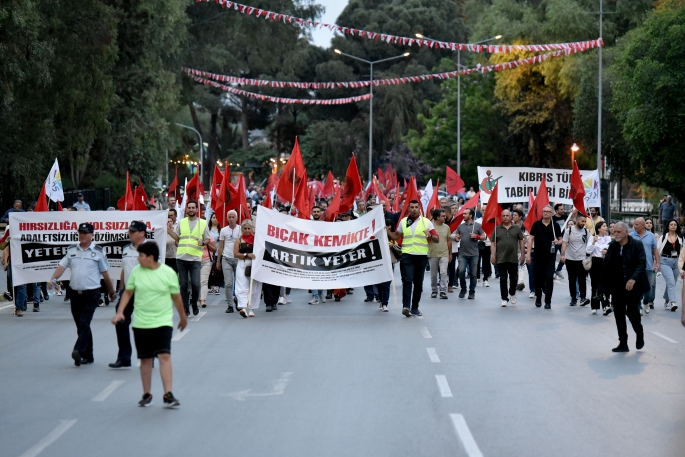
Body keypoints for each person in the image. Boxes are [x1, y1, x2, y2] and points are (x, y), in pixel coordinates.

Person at [111, 241, 186, 408]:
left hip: (163, 321)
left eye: (141, 256)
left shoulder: (168, 273)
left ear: (150, 258)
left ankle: (168, 393)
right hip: (141, 322)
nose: (138, 259)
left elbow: (176, 297)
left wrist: (183, 317)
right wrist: (120, 312)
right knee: (145, 359)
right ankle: (147, 394)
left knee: (164, 356)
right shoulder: (137, 272)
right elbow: (128, 292)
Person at [48, 223, 117, 366]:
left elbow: (105, 273)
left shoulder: (98, 252)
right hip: (75, 294)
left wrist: (111, 291)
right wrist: (53, 279)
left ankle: (78, 350)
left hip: (91, 294)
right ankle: (89, 355)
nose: (83, 235)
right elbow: (62, 266)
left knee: (84, 323)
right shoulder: (72, 250)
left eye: (86, 233)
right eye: (81, 232)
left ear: (92, 235)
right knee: (81, 325)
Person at [601, 222, 649, 352]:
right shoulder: (613, 246)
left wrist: (633, 279)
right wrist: (602, 287)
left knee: (632, 312)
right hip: (617, 285)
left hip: (634, 286)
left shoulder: (637, 245)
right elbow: (606, 266)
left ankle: (639, 332)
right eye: (614, 232)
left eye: (618, 232)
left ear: (626, 233)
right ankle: (623, 342)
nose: (615, 234)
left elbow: (641, 263)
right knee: (619, 313)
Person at [386, 200, 439, 317]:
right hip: (407, 256)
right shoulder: (404, 221)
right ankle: (406, 307)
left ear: (419, 209)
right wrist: (388, 232)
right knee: (407, 281)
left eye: (416, 207)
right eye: (412, 207)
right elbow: (397, 236)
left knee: (418, 283)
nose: (414, 209)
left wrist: (430, 235)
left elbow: (437, 238)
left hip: (421, 256)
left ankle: (415, 307)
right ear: (408, 209)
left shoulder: (426, 222)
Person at [109, 220, 147, 368]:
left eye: (133, 231)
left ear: (142, 233)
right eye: (129, 231)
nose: (129, 233)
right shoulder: (126, 249)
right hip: (127, 292)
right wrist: (121, 289)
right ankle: (124, 357)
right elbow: (124, 269)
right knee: (121, 321)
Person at [167, 201, 209, 317]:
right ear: (186, 209)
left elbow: (207, 239)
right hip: (181, 257)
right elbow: (178, 238)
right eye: (189, 207)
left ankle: (194, 303)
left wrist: (202, 242)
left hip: (195, 258)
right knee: (184, 284)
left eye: (193, 207)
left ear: (196, 209)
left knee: (196, 284)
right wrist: (169, 231)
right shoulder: (182, 222)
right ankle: (186, 307)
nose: (191, 209)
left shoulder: (203, 223)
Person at [527, 206, 562, 309]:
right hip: (538, 255)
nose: (545, 213)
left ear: (552, 213)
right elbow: (530, 239)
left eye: (548, 211)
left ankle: (548, 301)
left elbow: (561, 240)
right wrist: (528, 254)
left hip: (550, 257)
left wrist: (557, 242)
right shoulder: (536, 225)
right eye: (544, 211)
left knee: (549, 278)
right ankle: (538, 297)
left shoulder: (555, 226)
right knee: (537, 278)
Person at [491, 210, 525, 307]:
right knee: (503, 278)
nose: (506, 217)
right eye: (504, 216)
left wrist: (522, 255)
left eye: (507, 215)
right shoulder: (497, 229)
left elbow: (521, 241)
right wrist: (493, 256)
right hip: (501, 258)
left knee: (514, 278)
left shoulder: (516, 228)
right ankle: (504, 298)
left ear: (510, 217)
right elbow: (493, 243)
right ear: (501, 217)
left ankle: (512, 293)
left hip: (513, 258)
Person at [629, 217, 659, 315]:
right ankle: (638, 307)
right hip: (635, 267)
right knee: (636, 289)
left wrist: (657, 263)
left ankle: (646, 302)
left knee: (648, 288)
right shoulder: (631, 236)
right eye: (634, 224)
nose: (634, 226)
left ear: (642, 225)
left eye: (637, 224)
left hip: (648, 266)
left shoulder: (651, 236)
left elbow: (655, 250)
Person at [561, 213, 591, 307]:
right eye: (582, 221)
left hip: (582, 259)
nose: (583, 223)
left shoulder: (586, 231)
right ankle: (573, 298)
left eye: (585, 222)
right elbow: (565, 243)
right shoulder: (569, 230)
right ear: (577, 220)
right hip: (570, 259)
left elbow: (590, 242)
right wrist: (563, 254)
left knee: (582, 279)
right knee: (572, 280)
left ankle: (583, 298)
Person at [455, 208, 485, 300]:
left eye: (465, 214)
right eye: (463, 214)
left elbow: (484, 237)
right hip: (462, 253)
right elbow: (456, 238)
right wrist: (457, 237)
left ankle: (472, 291)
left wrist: (477, 236)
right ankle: (463, 289)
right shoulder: (460, 227)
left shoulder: (477, 226)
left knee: (473, 274)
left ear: (471, 215)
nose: (463, 215)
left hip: (474, 254)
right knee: (461, 271)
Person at [234, 219, 261, 318]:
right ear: (241, 229)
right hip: (242, 263)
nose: (247, 230)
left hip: (254, 264)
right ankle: (243, 307)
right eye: (245, 228)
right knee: (241, 286)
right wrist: (247, 255)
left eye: (249, 228)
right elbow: (236, 254)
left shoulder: (256, 239)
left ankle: (252, 308)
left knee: (254, 287)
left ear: (252, 228)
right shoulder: (238, 240)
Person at [217, 210, 240, 313]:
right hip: (226, 258)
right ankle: (230, 305)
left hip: (238, 259)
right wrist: (218, 261)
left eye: (233, 217)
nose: (231, 219)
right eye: (229, 217)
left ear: (236, 218)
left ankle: (239, 301)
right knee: (228, 283)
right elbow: (221, 246)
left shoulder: (240, 229)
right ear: (227, 219)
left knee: (239, 282)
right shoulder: (223, 230)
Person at [586, 221, 612, 315]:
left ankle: (605, 306)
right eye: (604, 226)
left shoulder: (608, 238)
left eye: (606, 226)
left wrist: (606, 250)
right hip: (596, 262)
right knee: (595, 285)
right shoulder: (592, 238)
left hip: (606, 262)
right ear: (599, 228)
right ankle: (595, 306)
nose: (606, 227)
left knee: (605, 285)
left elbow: (610, 249)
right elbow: (588, 250)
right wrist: (593, 242)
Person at [657, 219, 683, 312]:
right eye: (671, 224)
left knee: (672, 282)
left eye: (675, 224)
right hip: (665, 261)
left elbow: (683, 252)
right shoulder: (663, 237)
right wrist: (657, 263)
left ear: (677, 227)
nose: (673, 226)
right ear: (668, 226)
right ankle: (673, 302)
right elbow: (657, 250)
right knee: (671, 281)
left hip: (676, 262)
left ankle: (666, 300)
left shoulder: (681, 238)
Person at [428, 209, 451, 300]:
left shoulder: (446, 227)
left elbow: (448, 240)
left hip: (444, 253)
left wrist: (450, 254)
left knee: (443, 272)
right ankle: (434, 290)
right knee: (433, 275)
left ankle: (443, 291)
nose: (445, 217)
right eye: (443, 216)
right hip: (432, 254)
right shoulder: (430, 227)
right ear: (437, 217)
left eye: (445, 216)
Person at [198, 214, 218, 308]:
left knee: (204, 281)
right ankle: (196, 298)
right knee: (195, 281)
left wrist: (206, 243)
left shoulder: (209, 236)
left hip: (206, 261)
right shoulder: (193, 236)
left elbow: (214, 249)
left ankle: (203, 300)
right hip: (195, 260)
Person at [309, 206, 327, 305]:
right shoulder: (308, 224)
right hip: (310, 253)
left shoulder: (325, 225)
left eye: (318, 211)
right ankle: (315, 296)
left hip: (322, 252)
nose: (316, 213)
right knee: (312, 275)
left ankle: (320, 293)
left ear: (321, 213)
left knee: (321, 275)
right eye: (314, 211)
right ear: (312, 213)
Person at [447, 203, 460, 292]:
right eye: (452, 208)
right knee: (444, 267)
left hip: (457, 246)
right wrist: (453, 237)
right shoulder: (444, 220)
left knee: (455, 266)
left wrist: (458, 237)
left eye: (456, 208)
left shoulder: (459, 221)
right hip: (446, 246)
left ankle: (452, 283)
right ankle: (444, 281)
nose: (454, 210)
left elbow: (461, 232)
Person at [551, 204, 566, 279]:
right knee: (553, 256)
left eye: (563, 209)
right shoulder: (552, 218)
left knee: (565, 255)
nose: (563, 210)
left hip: (563, 240)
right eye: (561, 209)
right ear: (556, 210)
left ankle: (559, 269)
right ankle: (553, 272)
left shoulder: (565, 217)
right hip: (554, 240)